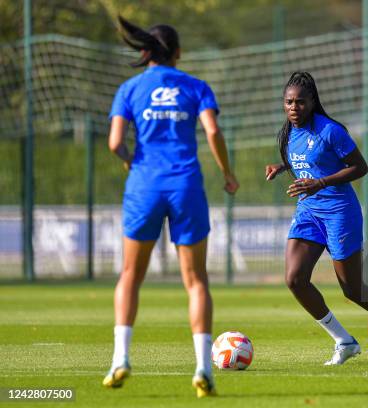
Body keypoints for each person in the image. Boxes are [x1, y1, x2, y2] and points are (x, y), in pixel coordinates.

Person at [102, 16, 239, 398]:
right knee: (196, 280)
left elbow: (114, 142)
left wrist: (131, 159)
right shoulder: (196, 87)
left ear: (145, 53)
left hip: (144, 185)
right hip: (185, 186)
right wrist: (227, 173)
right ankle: (202, 368)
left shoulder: (129, 88)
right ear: (177, 53)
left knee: (130, 274)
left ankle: (120, 359)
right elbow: (212, 131)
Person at [265, 71, 368, 365]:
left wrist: (320, 183)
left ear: (312, 102)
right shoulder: (288, 133)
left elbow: (360, 167)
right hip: (308, 212)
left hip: (339, 213)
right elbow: (305, 157)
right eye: (289, 102)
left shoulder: (330, 131)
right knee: (294, 279)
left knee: (352, 289)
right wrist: (283, 167)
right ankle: (344, 341)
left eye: (300, 102)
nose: (294, 108)